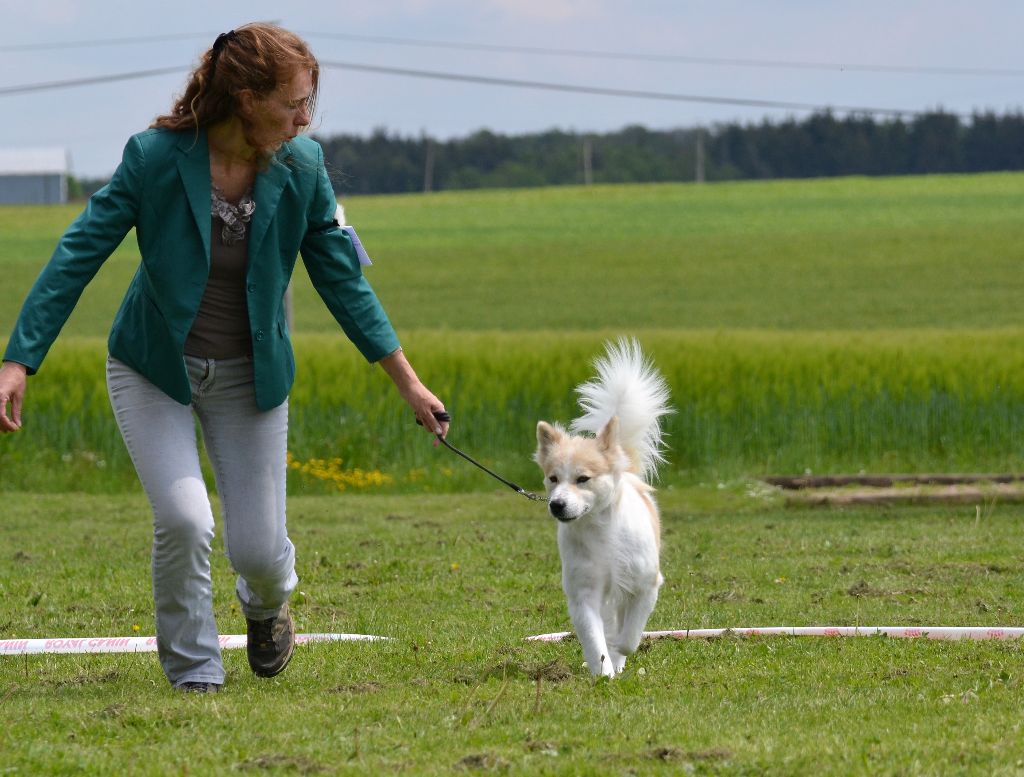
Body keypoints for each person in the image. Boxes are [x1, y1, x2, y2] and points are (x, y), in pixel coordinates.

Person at [0, 23, 449, 693]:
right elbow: (79, 251)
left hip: (250, 378)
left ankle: (267, 608)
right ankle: (196, 674)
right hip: (155, 368)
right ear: (245, 98)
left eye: (309, 103)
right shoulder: (154, 157)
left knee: (260, 553)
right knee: (184, 519)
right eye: (294, 102)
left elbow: (344, 283)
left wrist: (410, 385)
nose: (306, 117)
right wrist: (19, 360)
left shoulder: (303, 167)